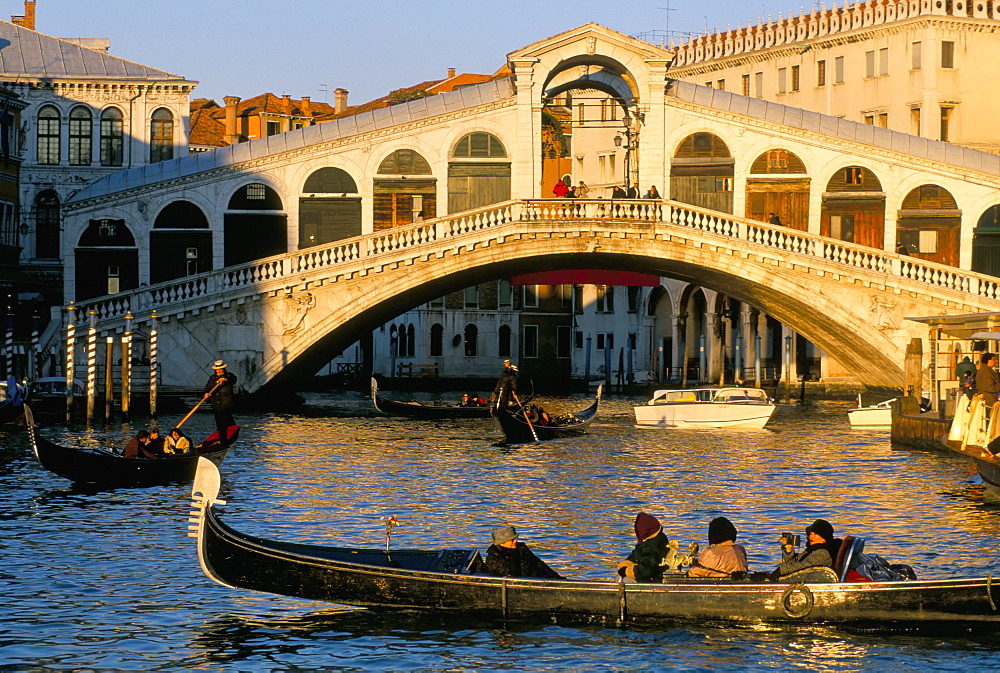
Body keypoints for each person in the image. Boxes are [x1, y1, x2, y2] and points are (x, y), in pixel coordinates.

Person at [770, 519, 841, 580]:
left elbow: (803, 566)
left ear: (824, 537)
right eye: (810, 534)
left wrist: (781, 570)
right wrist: (789, 549)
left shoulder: (823, 552)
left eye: (815, 534)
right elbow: (794, 563)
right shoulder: (812, 550)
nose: (811, 537)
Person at [482, 525, 563, 579]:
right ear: (502, 543)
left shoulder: (522, 549)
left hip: (540, 579)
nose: (515, 541)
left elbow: (538, 563)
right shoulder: (494, 558)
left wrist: (558, 579)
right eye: (512, 540)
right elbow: (511, 576)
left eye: (515, 539)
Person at [617, 512, 670, 583]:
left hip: (654, 580)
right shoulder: (650, 541)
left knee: (625, 580)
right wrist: (626, 564)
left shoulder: (653, 546)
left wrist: (628, 571)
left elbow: (648, 569)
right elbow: (635, 556)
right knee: (619, 577)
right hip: (648, 577)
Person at [204, 360, 238, 447]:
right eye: (217, 369)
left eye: (220, 369)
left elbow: (234, 379)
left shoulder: (229, 376)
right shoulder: (212, 379)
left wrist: (225, 379)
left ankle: (226, 440)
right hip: (216, 405)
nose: (219, 370)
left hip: (226, 405)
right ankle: (223, 442)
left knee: (227, 423)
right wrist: (206, 393)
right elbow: (207, 388)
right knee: (220, 425)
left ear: (223, 369)